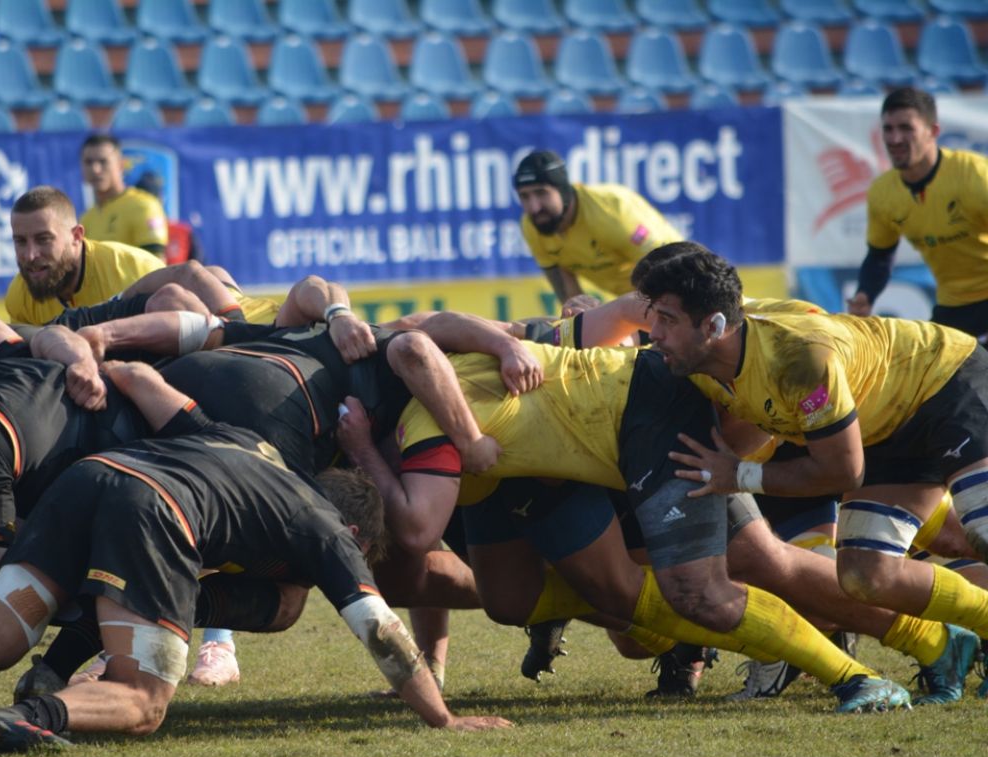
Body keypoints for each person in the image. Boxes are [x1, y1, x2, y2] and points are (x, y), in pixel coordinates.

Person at [0, 369, 511, 757]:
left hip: (88, 482)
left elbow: (145, 380)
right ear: (354, 528)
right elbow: (381, 629)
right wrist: (443, 718)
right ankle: (25, 718)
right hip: (153, 510)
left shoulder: (243, 443)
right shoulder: (327, 527)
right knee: (143, 703)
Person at [337, 334, 911, 713]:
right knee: (515, 600)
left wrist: (506, 351)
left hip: (635, 419)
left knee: (737, 572)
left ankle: (892, 654)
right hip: (551, 462)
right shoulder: (410, 410)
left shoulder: (421, 417)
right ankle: (692, 641)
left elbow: (416, 347)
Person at [634, 242, 988, 698]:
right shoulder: (703, 359)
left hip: (947, 379)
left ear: (714, 326)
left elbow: (842, 472)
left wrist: (737, 475)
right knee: (866, 575)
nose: (654, 334)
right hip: (882, 429)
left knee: (981, 527)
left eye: (667, 320)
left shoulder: (798, 359)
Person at [847, 88, 988, 339]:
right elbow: (880, 256)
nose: (895, 139)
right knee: (926, 364)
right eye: (888, 129)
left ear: (933, 131)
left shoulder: (974, 175)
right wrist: (865, 294)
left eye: (906, 128)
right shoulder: (882, 192)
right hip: (953, 307)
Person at [514, 149, 681, 305]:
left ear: (563, 190)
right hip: (636, 300)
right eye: (524, 196)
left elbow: (667, 270)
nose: (534, 207)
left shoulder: (611, 210)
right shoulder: (532, 226)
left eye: (542, 193)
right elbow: (571, 300)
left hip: (678, 284)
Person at [5, 186, 164, 325]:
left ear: (76, 236)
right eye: (20, 241)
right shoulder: (19, 296)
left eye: (43, 239)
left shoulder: (138, 272)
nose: (30, 255)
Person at [79, 134, 170, 260]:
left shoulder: (143, 205)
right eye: (88, 162)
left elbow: (156, 263)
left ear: (121, 165)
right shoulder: (86, 219)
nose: (95, 169)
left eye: (103, 162)